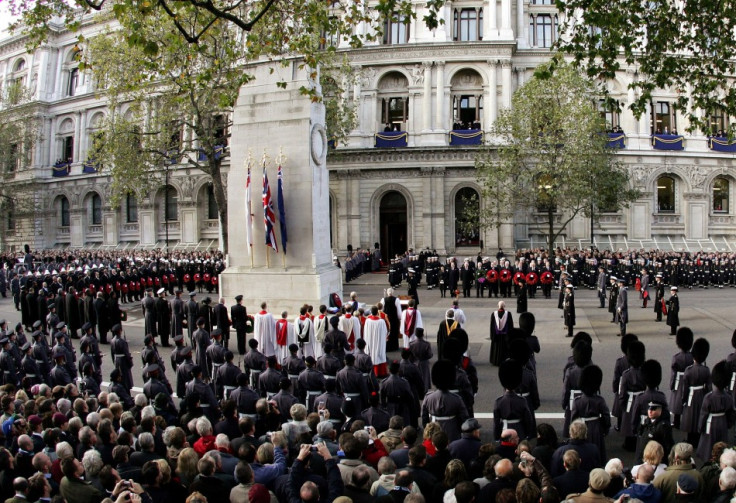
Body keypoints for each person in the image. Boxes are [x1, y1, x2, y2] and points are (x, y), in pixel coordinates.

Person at [696, 360, 734, 462]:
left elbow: (703, 415)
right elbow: (731, 414)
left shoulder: (708, 397)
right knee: (722, 446)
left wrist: (700, 428)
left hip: (711, 423)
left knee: (708, 447)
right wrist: (729, 424)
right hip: (723, 422)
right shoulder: (729, 396)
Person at [570, 364, 611, 461]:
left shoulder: (577, 401)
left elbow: (573, 420)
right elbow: (606, 416)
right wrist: (605, 428)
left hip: (581, 427)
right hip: (596, 427)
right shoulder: (600, 400)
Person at [421, 360, 468, 442]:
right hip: (452, 430)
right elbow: (464, 417)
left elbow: (424, 417)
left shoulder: (428, 397)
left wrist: (426, 427)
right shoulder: (456, 399)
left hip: (433, 428)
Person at [493, 359, 534, 441]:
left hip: (504, 430)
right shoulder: (522, 401)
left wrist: (496, 436)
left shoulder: (499, 401)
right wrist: (527, 433)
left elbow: (496, 423)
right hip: (519, 430)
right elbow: (528, 420)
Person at [680, 338, 711, 447]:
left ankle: (690, 439)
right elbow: (709, 387)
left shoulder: (688, 370)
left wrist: (683, 400)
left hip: (691, 396)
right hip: (701, 394)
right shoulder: (706, 370)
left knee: (690, 417)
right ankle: (698, 438)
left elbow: (685, 388)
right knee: (699, 415)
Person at [670, 327, 694, 429]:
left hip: (679, 381)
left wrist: (672, 385)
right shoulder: (693, 356)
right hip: (690, 380)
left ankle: (676, 422)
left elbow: (673, 373)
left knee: (677, 400)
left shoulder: (676, 357)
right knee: (688, 400)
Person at [363, 306, 388, 378]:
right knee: (379, 353)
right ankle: (380, 372)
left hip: (370, 340)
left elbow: (365, 331)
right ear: (377, 312)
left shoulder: (367, 321)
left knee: (371, 353)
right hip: (379, 341)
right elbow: (385, 332)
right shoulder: (381, 321)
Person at [489, 301, 512, 366]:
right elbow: (510, 325)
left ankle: (495, 361)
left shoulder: (494, 314)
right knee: (504, 348)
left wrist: (492, 336)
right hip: (505, 335)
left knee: (496, 348)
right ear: (504, 306)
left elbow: (492, 326)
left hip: (496, 335)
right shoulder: (508, 314)